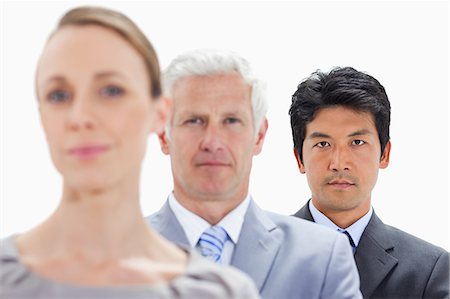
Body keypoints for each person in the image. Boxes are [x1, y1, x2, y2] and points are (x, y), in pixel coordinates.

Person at [0, 6, 260, 298]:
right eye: (58, 95)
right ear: (42, 117)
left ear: (160, 114)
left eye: (111, 91)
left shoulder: (222, 292)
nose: (80, 116)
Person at [146, 49, 362, 299]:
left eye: (231, 121)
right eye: (194, 121)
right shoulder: (106, 255)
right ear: (163, 135)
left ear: (259, 135)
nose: (213, 142)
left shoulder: (322, 257)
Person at [289, 66, 450, 298]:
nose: (339, 163)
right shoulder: (255, 256)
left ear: (384, 154)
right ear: (299, 158)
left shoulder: (428, 272)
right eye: (323, 144)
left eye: (357, 142)